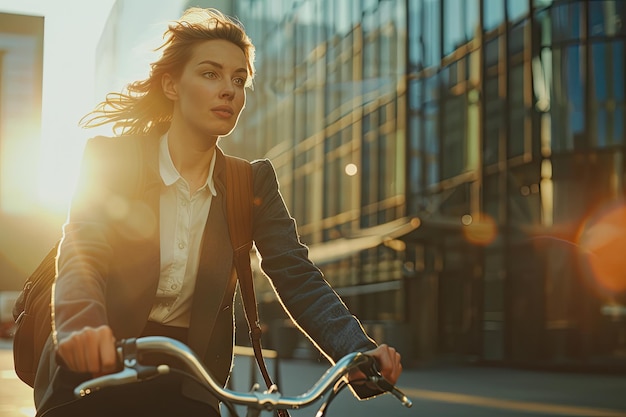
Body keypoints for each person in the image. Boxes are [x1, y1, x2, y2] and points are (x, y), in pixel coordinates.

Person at [33, 7, 402, 417]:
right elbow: (84, 249)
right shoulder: (114, 159)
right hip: (95, 370)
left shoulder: (251, 182)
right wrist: (82, 326)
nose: (229, 90)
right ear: (172, 85)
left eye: (239, 80)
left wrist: (358, 352)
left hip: (189, 383)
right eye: (211, 74)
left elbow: (297, 276)